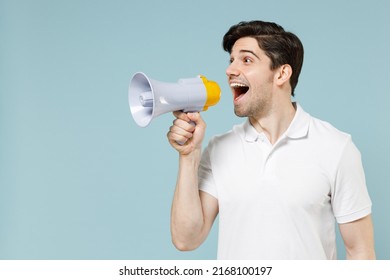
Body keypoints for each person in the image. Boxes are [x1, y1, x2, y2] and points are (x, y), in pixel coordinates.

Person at [166, 20, 375, 260]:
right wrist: (189, 156)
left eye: (246, 60)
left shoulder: (336, 147)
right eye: (231, 60)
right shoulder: (218, 148)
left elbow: (360, 251)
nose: (230, 70)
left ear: (282, 73)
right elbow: (186, 239)